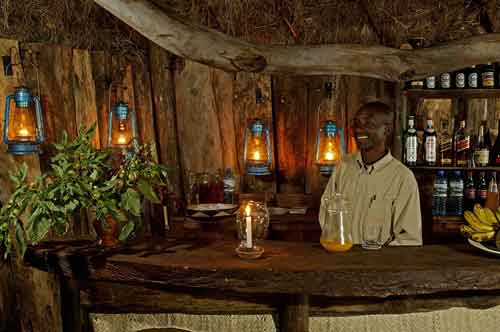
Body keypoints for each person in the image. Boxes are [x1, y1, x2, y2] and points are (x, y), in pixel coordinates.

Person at [319, 101, 422, 246]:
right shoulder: (343, 167)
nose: (359, 131)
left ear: (387, 130)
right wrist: (338, 243)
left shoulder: (403, 178)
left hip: (380, 265)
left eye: (369, 125)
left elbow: (408, 239)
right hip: (341, 258)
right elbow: (326, 214)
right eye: (357, 124)